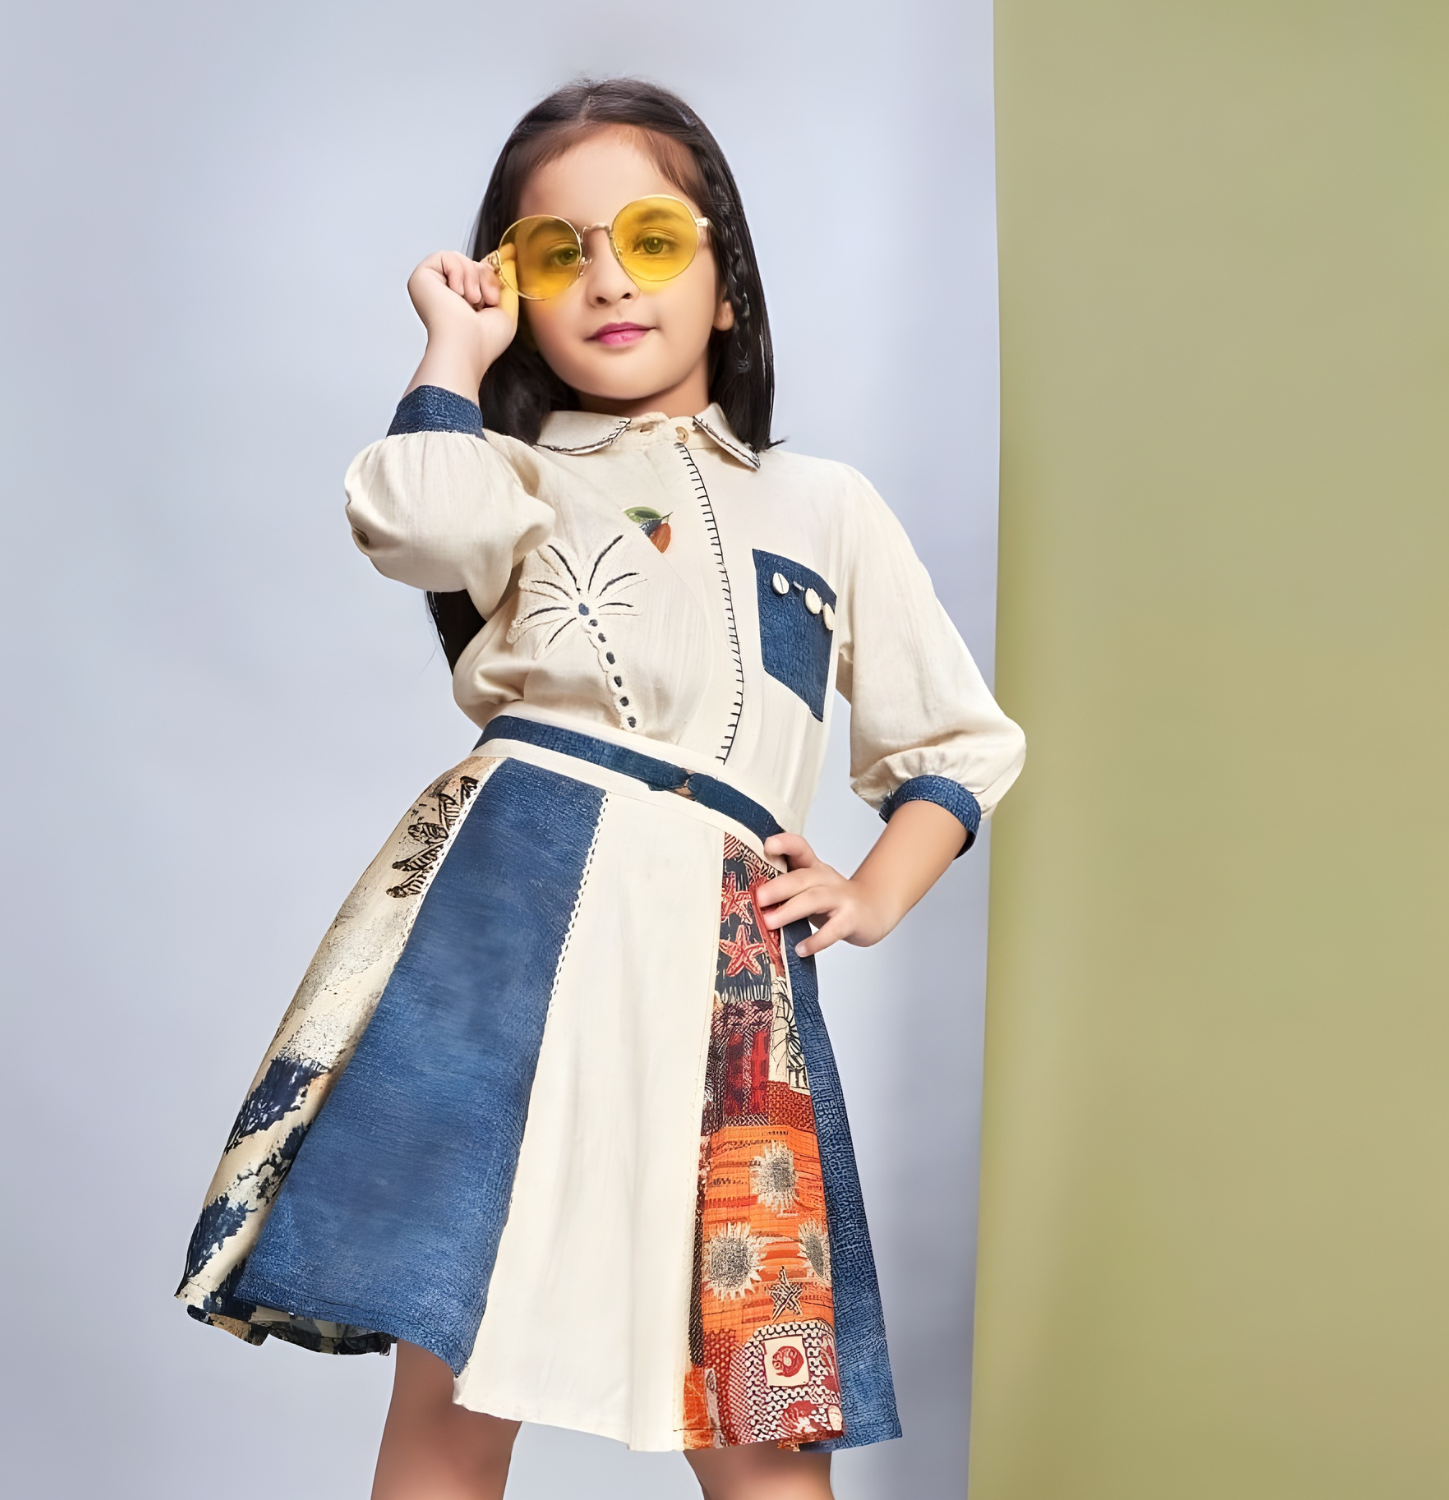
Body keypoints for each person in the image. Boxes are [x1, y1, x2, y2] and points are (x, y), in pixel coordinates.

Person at [176, 77, 1025, 1500]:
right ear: (516, 289)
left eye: (651, 239)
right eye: (556, 253)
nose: (610, 280)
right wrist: (455, 347)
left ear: (727, 285)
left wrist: (879, 889)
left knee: (758, 1403)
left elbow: (958, 739)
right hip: (508, 927)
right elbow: (412, 518)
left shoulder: (827, 505)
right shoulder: (506, 478)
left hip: (724, 954)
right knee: (458, 1363)